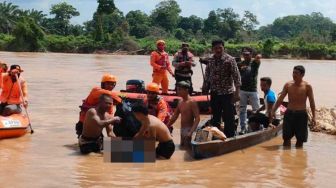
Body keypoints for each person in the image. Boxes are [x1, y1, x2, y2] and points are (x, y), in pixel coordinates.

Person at [201, 40, 241, 138]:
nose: (218, 50)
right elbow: (207, 75)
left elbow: (237, 77)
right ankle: (216, 136)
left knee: (229, 117)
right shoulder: (210, 60)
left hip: (227, 93)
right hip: (214, 93)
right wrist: (205, 87)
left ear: (224, 48)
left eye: (220, 48)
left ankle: (229, 137)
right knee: (215, 117)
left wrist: (237, 94)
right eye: (216, 48)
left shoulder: (230, 60)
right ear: (212, 49)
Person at [272, 65, 316, 148]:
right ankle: (286, 159)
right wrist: (273, 110)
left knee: (300, 140)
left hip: (301, 114)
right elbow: (280, 99)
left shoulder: (307, 86)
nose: (294, 75)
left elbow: (312, 102)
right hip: (289, 114)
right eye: (293, 72)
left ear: (302, 75)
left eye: (296, 73)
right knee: (286, 138)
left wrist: (314, 116)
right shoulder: (288, 85)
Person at [76, 74, 122, 138]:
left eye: (113, 84)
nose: (110, 86)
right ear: (103, 84)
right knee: (85, 142)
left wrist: (114, 121)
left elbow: (110, 116)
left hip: (98, 125)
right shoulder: (96, 90)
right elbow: (108, 93)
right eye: (108, 84)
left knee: (107, 141)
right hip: (84, 124)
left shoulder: (109, 100)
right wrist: (121, 97)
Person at [167, 81, 200, 147]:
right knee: (182, 146)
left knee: (188, 149)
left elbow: (197, 118)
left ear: (186, 90)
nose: (177, 91)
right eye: (177, 89)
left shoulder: (192, 102)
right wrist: (167, 126)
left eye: (180, 89)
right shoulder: (180, 102)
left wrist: (191, 132)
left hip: (189, 129)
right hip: (182, 129)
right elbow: (175, 116)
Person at [237, 47, 262, 134]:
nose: (246, 56)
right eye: (244, 54)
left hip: (253, 90)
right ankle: (243, 128)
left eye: (247, 54)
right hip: (242, 90)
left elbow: (258, 58)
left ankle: (260, 126)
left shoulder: (254, 63)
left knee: (257, 109)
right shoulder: (240, 64)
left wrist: (257, 56)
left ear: (251, 55)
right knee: (242, 110)